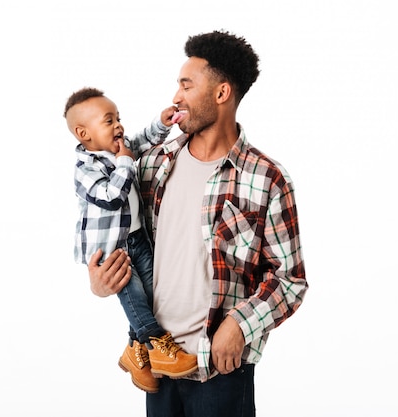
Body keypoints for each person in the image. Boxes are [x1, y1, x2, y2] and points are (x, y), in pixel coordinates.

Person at [87, 31, 308, 417]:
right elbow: (116, 231)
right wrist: (100, 280)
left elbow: (289, 280)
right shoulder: (152, 165)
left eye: (187, 86)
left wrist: (240, 325)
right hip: (159, 364)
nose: (176, 97)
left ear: (221, 94)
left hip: (219, 370)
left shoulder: (267, 179)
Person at [64, 87, 199, 394]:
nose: (118, 126)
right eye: (109, 121)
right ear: (83, 134)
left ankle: (133, 351)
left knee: (152, 296)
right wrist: (125, 163)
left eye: (119, 119)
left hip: (136, 239)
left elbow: (138, 142)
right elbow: (110, 198)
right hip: (111, 251)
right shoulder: (85, 168)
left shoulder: (119, 150)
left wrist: (161, 125)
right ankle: (157, 346)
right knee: (135, 297)